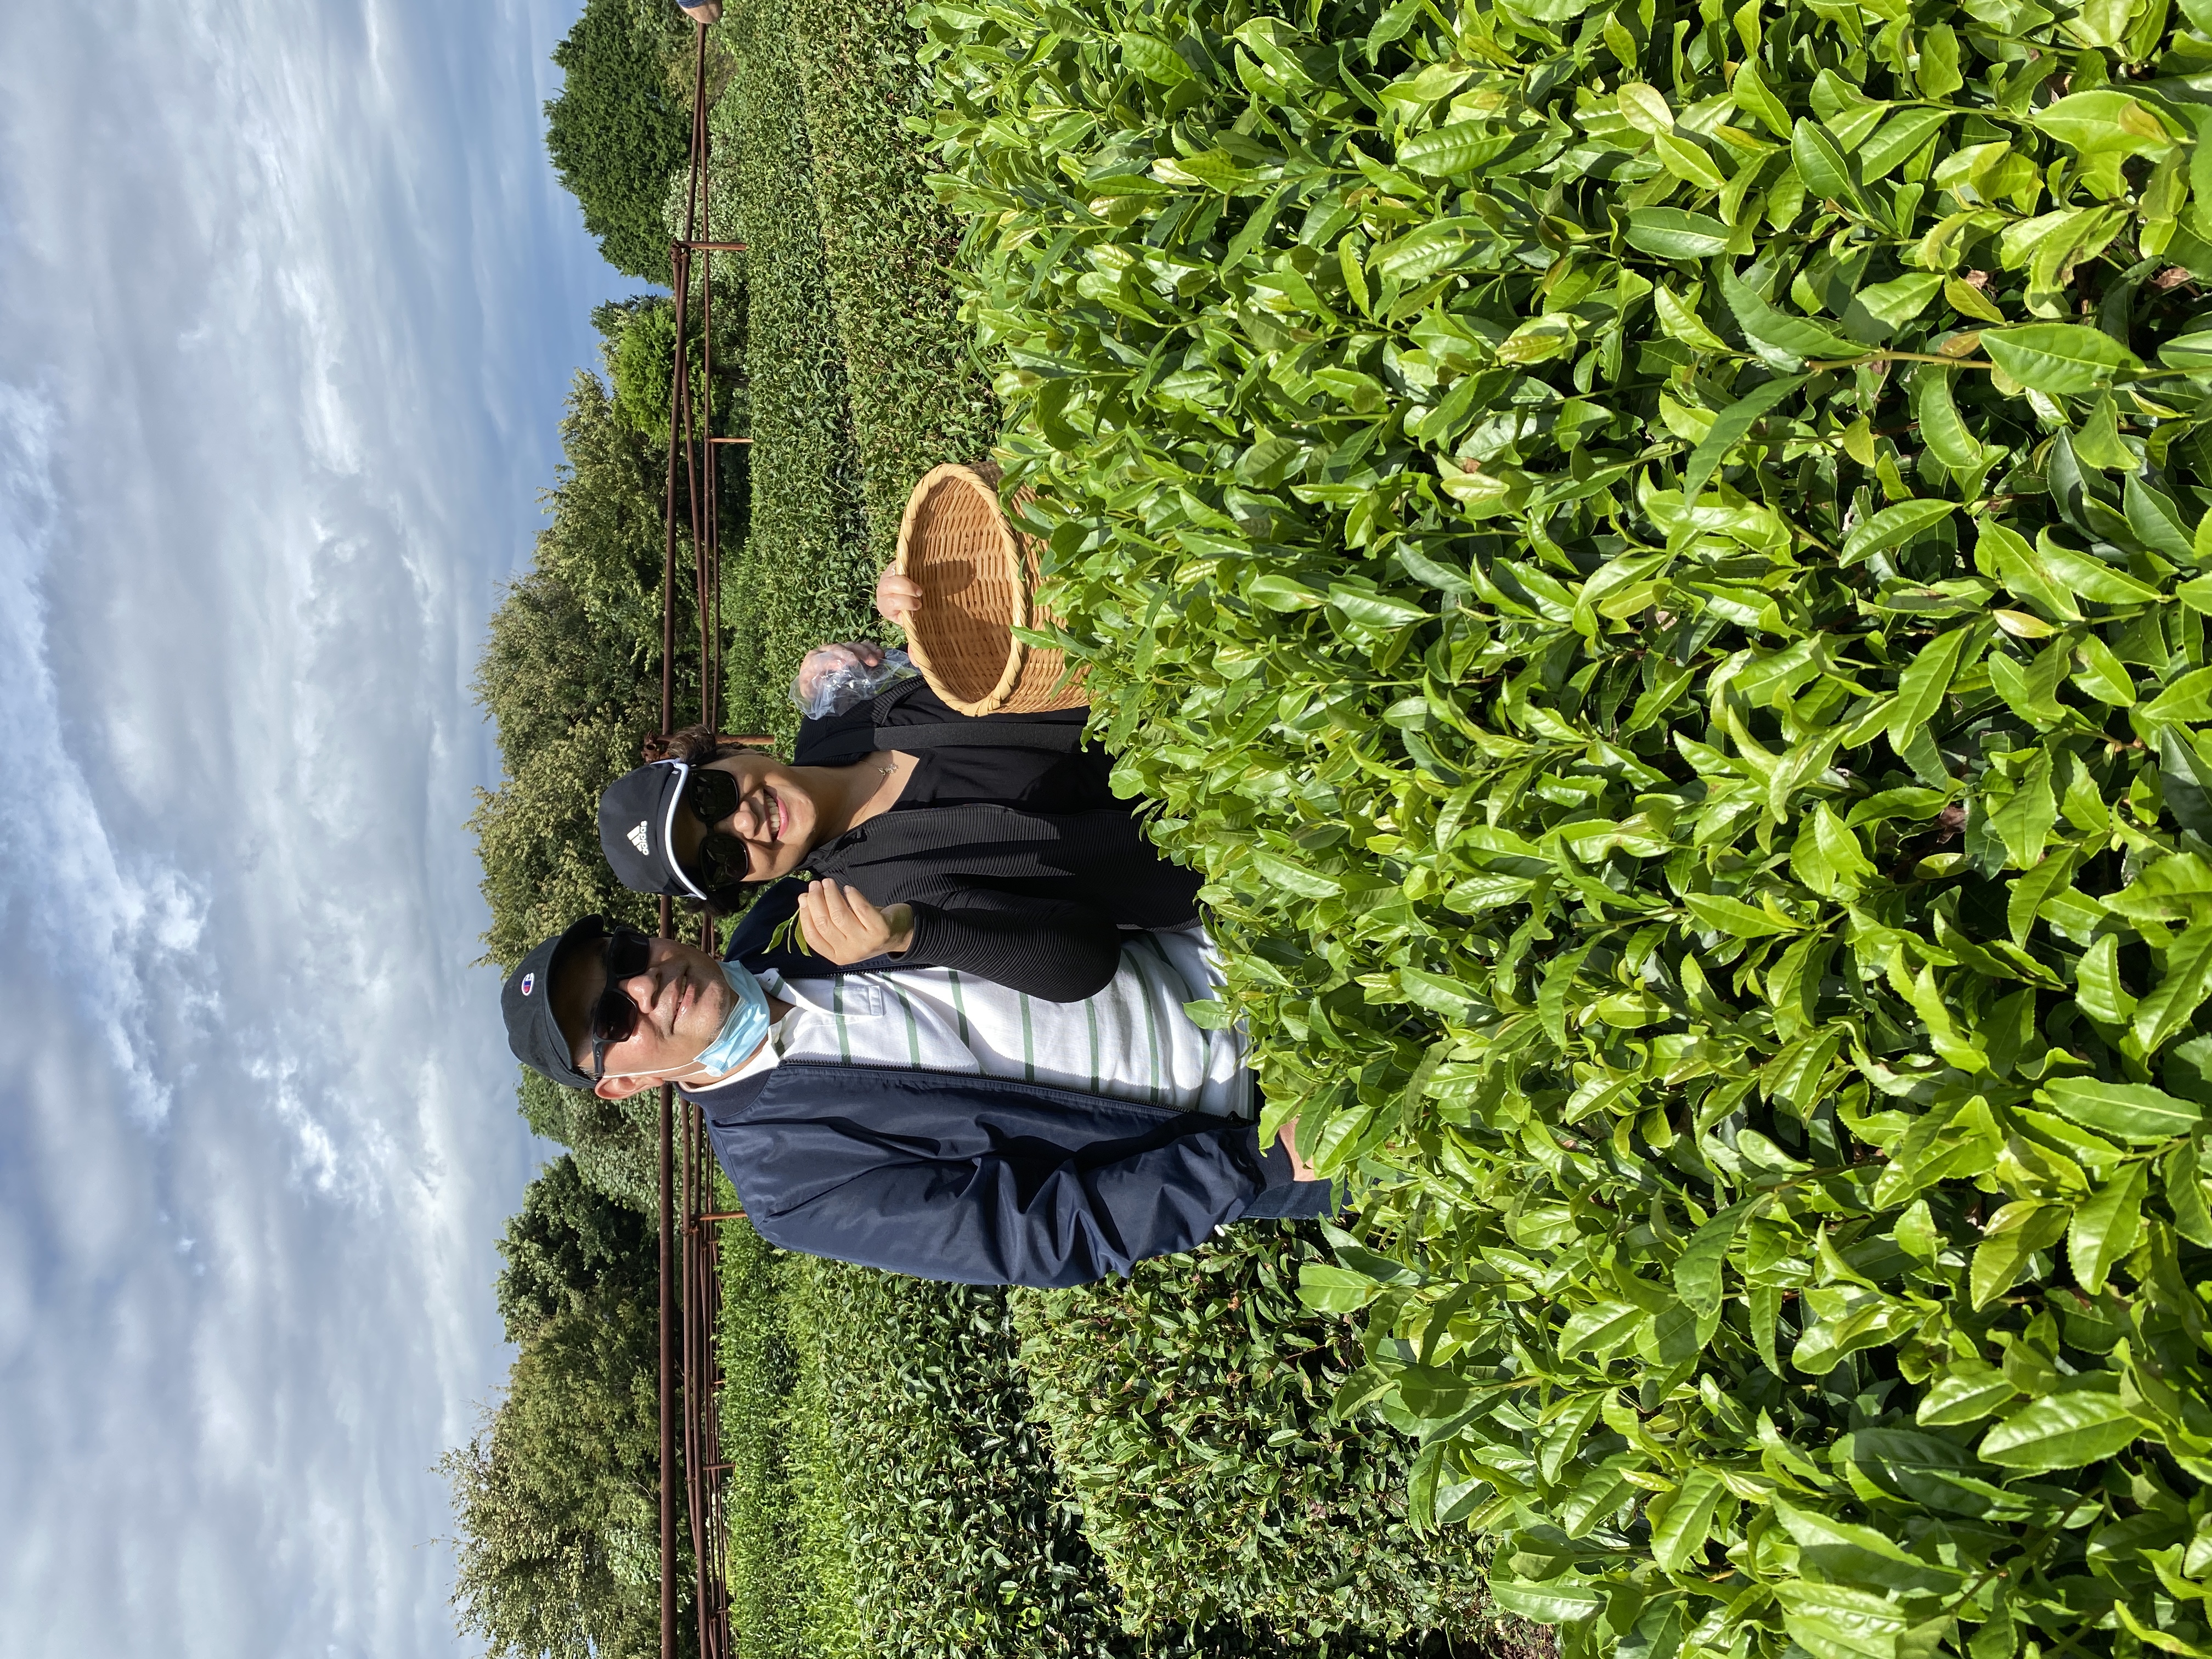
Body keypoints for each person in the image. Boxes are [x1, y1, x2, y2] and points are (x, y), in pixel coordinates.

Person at [499, 912, 1333, 1287]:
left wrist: (847, 691)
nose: (645, 986)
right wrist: (1250, 1167)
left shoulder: (788, 915)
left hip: (1254, 930)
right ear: (625, 1084)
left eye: (624, 955)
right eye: (612, 1019)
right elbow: (1032, 1234)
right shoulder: (788, 1184)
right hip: (1271, 1114)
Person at [596, 566, 1205, 1001]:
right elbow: (1085, 962)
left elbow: (1008, 648)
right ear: (742, 885)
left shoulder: (840, 707)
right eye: (720, 856)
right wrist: (911, 934)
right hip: (1215, 840)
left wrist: (927, 600)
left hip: (1186, 685)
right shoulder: (879, 899)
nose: (744, 823)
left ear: (722, 755)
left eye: (710, 797)